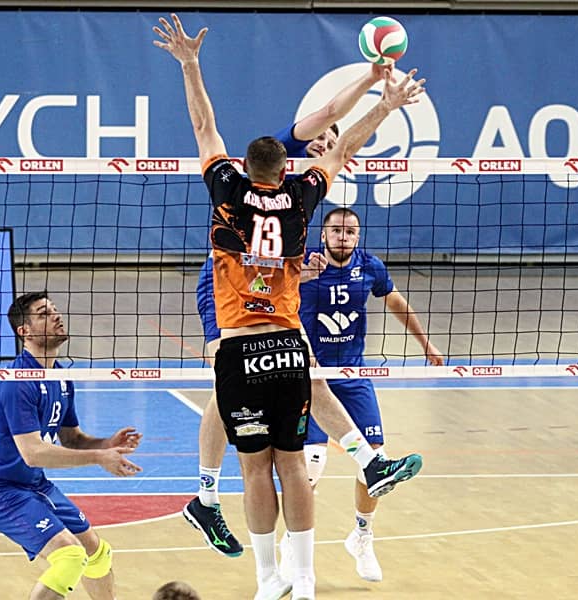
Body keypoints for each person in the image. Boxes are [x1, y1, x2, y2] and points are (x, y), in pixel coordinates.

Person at [154, 14, 426, 600]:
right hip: (280, 332)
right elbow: (342, 139)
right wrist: (385, 100)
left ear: (245, 165)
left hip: (240, 332)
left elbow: (204, 124)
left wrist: (190, 64)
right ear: (287, 164)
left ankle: (261, 564)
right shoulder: (303, 196)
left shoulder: (226, 185)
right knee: (293, 458)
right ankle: (296, 563)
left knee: (258, 462)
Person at [184, 61, 395, 560]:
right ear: (291, 156)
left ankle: (367, 461)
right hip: (227, 287)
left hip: (272, 295)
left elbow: (337, 133)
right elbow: (330, 114)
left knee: (307, 372)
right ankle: (206, 496)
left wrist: (297, 273)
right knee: (227, 383)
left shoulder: (293, 190)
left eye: (329, 140)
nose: (325, 143)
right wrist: (375, 87)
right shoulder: (289, 163)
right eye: (321, 138)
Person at [289, 207, 444, 582]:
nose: (342, 237)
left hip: (354, 378)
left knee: (374, 461)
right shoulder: (304, 266)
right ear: (323, 235)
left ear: (357, 237)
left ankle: (361, 536)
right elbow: (279, 303)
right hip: (311, 378)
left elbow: (397, 302)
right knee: (310, 464)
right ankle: (292, 545)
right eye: (336, 231)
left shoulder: (369, 266)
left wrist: (425, 344)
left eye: (350, 232)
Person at [0, 292, 143, 600]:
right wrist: (99, 457)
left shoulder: (60, 377)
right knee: (69, 556)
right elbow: (33, 453)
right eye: (44, 314)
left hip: (35, 485)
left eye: (55, 310)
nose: (56, 316)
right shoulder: (18, 380)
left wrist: (107, 443)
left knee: (96, 552)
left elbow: (72, 439)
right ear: (25, 331)